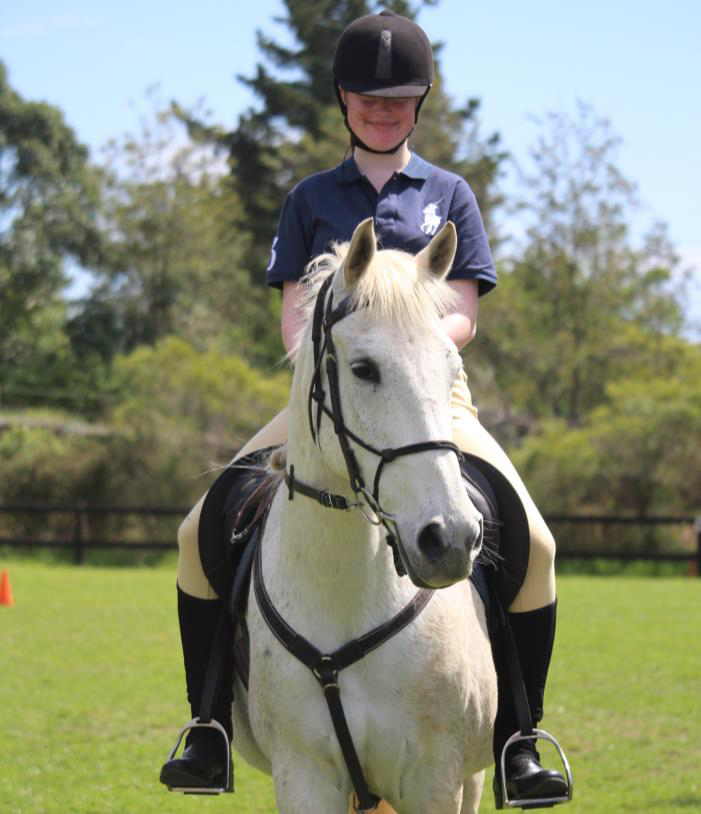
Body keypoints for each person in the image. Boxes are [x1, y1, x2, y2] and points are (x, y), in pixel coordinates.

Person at [161, 10, 570, 809]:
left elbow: (462, 315)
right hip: (321, 394)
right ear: (343, 102)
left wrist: (400, 325)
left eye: (398, 99)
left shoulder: (447, 194)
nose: (382, 111)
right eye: (367, 99)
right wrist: (347, 336)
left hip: (431, 397)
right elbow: (291, 318)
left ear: (418, 105)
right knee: (193, 532)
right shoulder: (309, 199)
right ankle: (208, 724)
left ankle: (521, 735)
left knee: (540, 545)